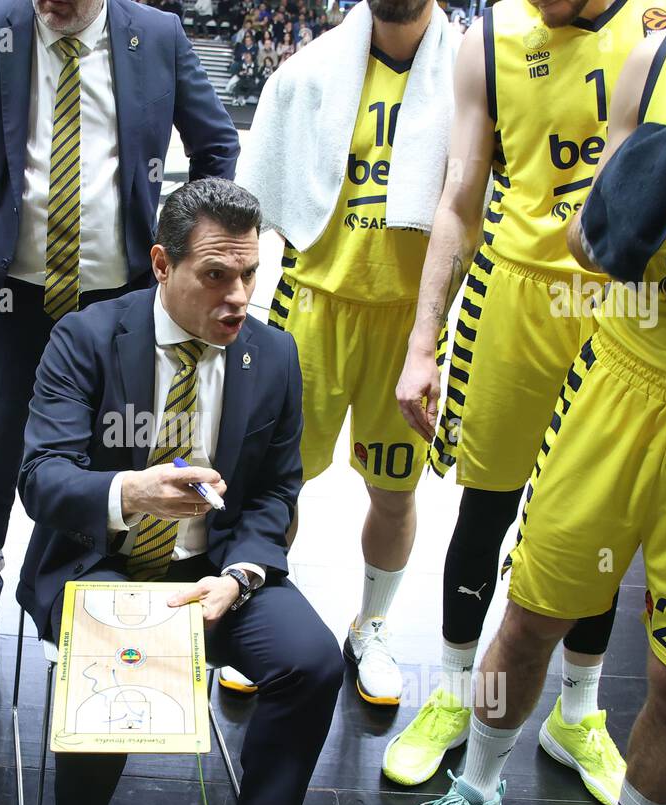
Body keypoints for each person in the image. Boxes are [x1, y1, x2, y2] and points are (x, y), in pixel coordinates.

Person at [393, 0, 666, 805]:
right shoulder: (658, 60)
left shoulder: (655, 25)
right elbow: (582, 233)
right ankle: (472, 780)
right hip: (607, 367)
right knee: (521, 588)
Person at [388, 0, 666, 805]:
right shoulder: (486, 39)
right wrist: (425, 342)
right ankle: (460, 691)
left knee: (606, 522)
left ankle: (578, 712)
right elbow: (460, 198)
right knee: (485, 510)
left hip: (629, 307)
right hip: (515, 300)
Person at [0, 0, 239, 687]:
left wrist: (183, 252)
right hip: (9, 298)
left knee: (108, 458)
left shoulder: (158, 36)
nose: (54, 6)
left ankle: (80, 597)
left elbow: (216, 144)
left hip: (120, 301)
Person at [17, 179, 344, 805]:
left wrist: (241, 575)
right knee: (117, 671)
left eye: (251, 273)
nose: (239, 297)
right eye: (216, 275)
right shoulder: (86, 337)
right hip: (99, 559)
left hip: (213, 566)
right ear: (163, 264)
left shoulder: (274, 355)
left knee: (312, 664)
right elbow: (42, 478)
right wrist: (132, 491)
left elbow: (279, 489)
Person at [236, 0, 457, 704]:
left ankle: (373, 625)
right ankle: (263, 608)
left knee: (394, 490)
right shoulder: (309, 73)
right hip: (313, 306)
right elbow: (255, 197)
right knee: (280, 481)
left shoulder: (470, 77)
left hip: (409, 321)